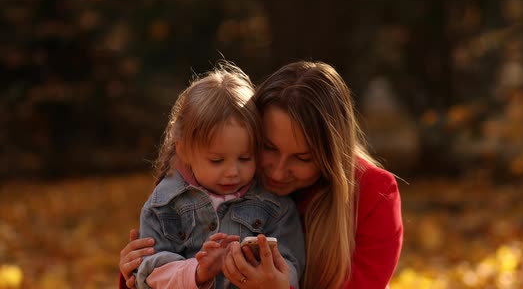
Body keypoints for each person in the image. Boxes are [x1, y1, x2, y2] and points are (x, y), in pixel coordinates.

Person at [120, 61, 403, 289]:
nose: (279, 171)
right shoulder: (213, 179)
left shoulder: (373, 194)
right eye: (268, 148)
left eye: (303, 158)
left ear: (330, 155)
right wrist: (133, 275)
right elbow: (161, 261)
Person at [131, 62, 305, 289]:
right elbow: (149, 271)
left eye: (245, 158)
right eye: (217, 160)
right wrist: (198, 272)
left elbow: (291, 263)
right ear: (184, 150)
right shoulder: (165, 204)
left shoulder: (275, 206)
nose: (233, 172)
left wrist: (269, 277)